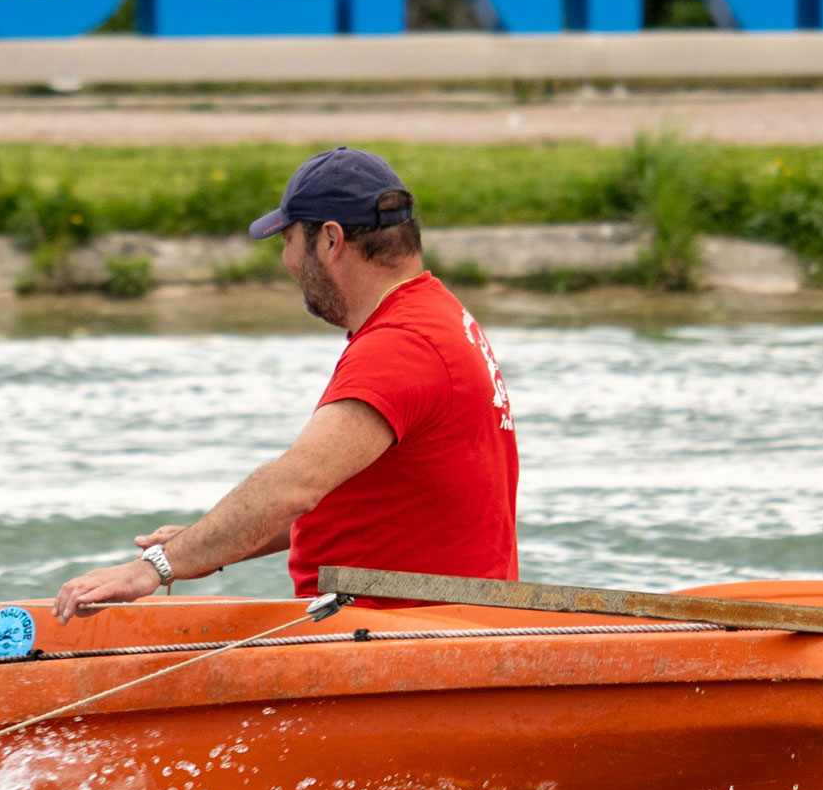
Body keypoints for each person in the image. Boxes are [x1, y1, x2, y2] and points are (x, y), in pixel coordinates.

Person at [51, 147, 517, 621]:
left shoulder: (401, 346)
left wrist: (153, 568)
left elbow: (295, 485)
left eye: (289, 238)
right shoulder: (438, 315)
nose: (286, 259)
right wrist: (204, 545)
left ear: (331, 240)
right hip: (438, 623)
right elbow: (352, 500)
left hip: (404, 636)